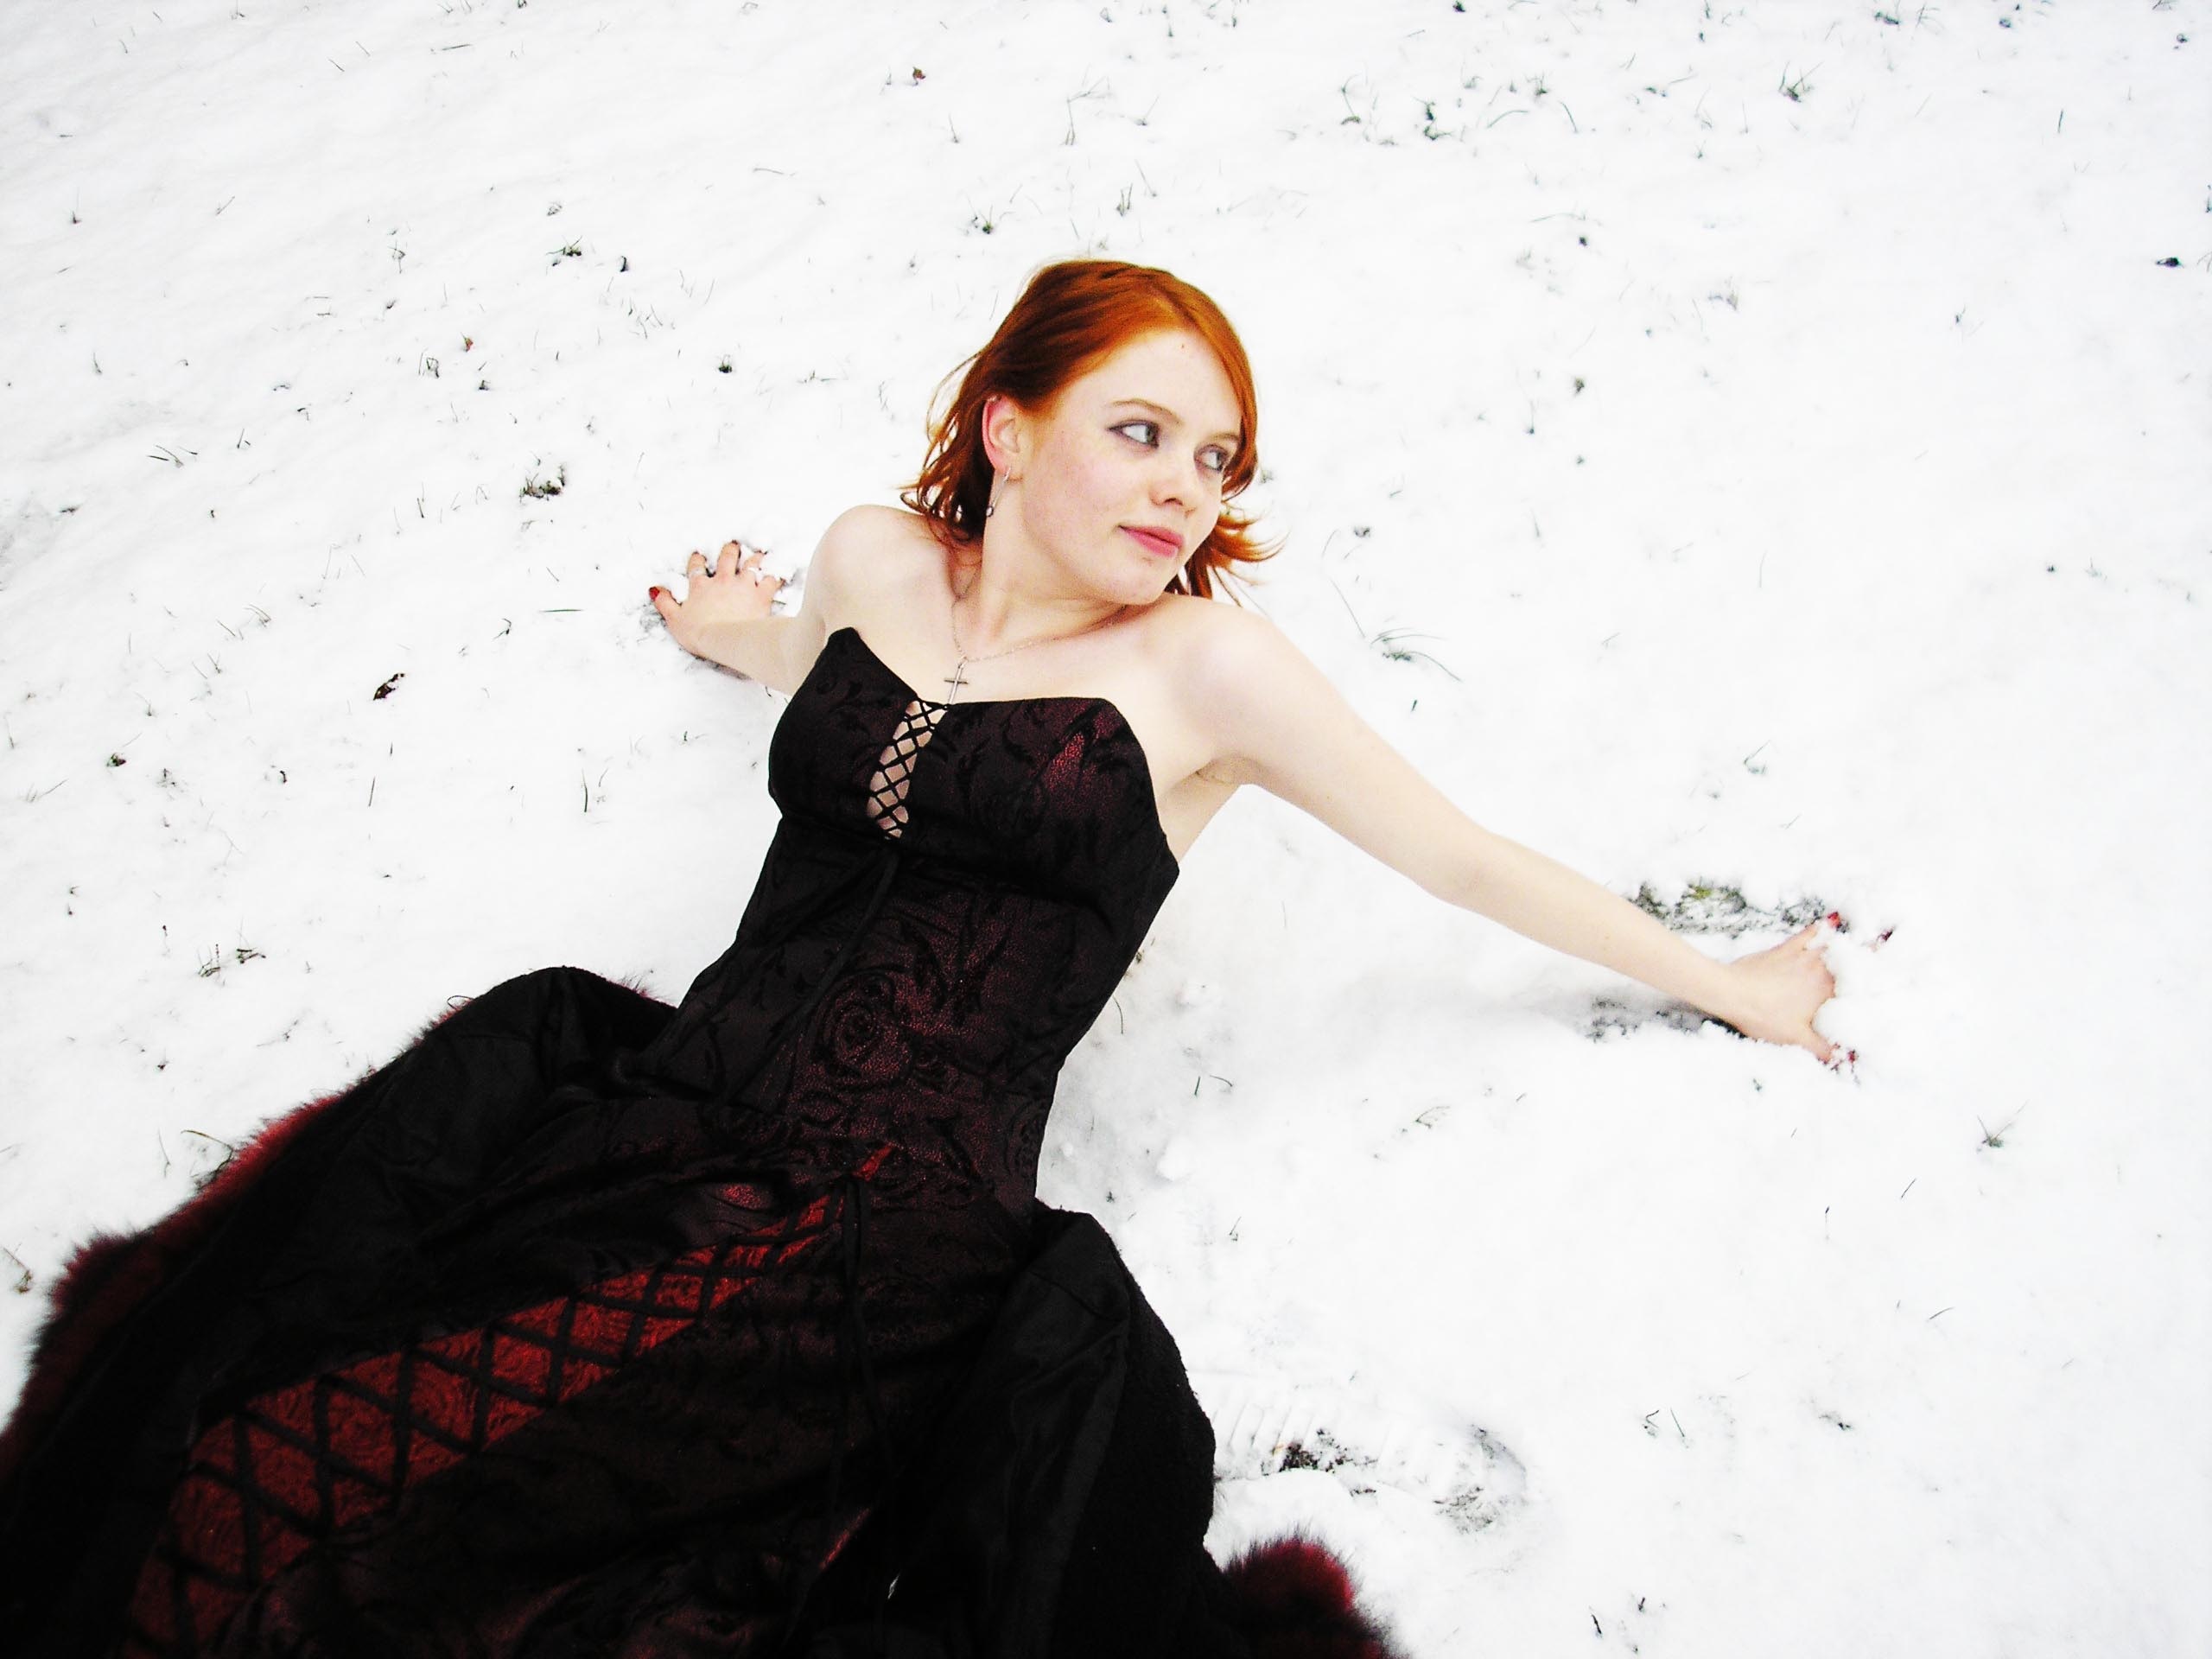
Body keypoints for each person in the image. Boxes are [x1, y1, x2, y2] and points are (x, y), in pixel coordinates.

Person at [0, 259, 1837, 1658]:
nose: (1184, 490)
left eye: (1215, 460)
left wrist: (1734, 985)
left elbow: (1458, 855)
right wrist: (734, 631)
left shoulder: (1203, 674)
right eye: (1140, 432)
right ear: (1009, 429)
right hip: (659, 1117)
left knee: (429, 1537)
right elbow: (822, 673)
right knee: (242, 1447)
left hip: (884, 1237)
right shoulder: (875, 560)